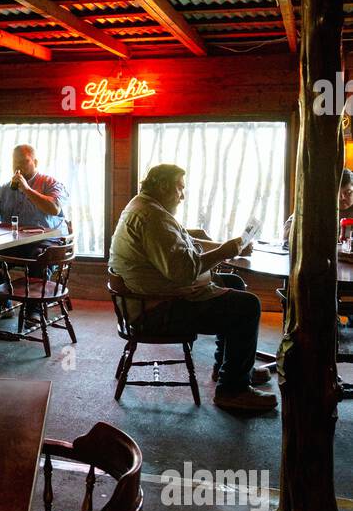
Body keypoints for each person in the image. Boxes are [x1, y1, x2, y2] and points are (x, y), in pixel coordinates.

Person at [109, 163, 277, 414]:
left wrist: (222, 246)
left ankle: (229, 368)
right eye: (180, 188)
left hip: (153, 298)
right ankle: (232, 390)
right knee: (247, 305)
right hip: (157, 311)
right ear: (164, 186)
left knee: (234, 284)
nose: (183, 195)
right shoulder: (151, 217)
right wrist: (223, 252)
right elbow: (182, 272)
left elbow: (181, 244)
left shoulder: (144, 206)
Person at [0, 144, 68, 310]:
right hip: (13, 243)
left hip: (45, 241)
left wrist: (26, 189)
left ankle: (33, 310)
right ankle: (2, 304)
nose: (18, 166)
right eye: (15, 162)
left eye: (24, 161)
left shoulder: (51, 183)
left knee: (39, 258)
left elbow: (54, 208)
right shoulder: (5, 189)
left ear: (35, 162)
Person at [282, 168, 353, 243]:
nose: (342, 198)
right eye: (337, 193)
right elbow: (287, 231)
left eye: (348, 192)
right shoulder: (316, 205)